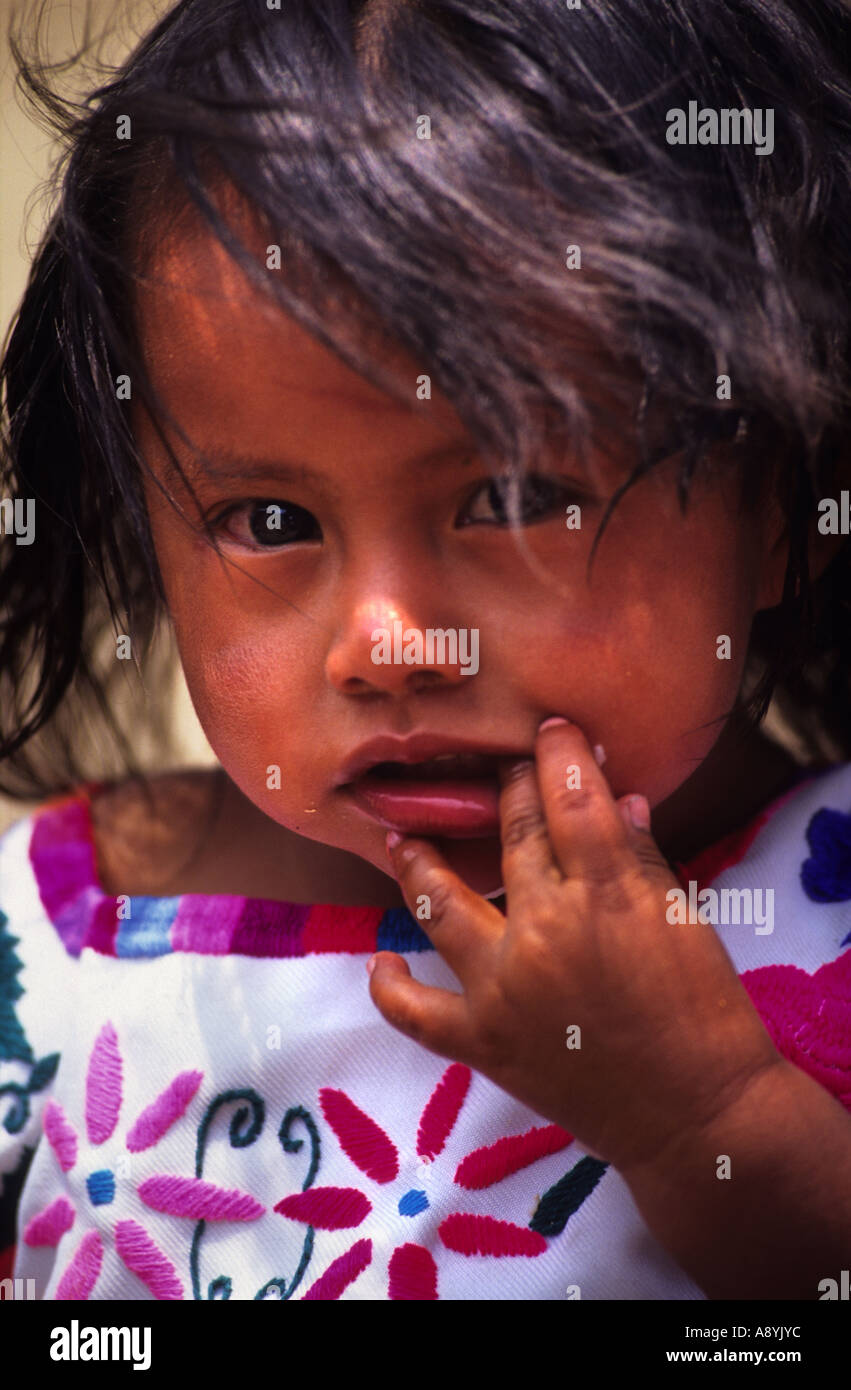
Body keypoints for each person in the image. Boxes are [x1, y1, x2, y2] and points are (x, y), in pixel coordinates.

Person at [1, 0, 850, 1301]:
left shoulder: (825, 909)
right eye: (272, 522)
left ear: (785, 502)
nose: (389, 646)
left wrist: (706, 1116)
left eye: (511, 501)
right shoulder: (53, 949)